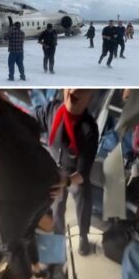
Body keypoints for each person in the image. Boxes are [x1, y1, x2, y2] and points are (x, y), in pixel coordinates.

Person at [0, 90, 62, 279]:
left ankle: (33, 269)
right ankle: (36, 266)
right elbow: (33, 127)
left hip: (29, 187)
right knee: (26, 232)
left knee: (12, 243)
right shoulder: (6, 109)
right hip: (46, 178)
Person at [34, 89, 99, 257]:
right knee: (57, 210)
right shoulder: (51, 110)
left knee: (84, 203)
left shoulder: (89, 129)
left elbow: (82, 174)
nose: (73, 90)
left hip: (75, 175)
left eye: (81, 88)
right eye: (70, 86)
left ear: (90, 97)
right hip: (56, 172)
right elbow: (30, 122)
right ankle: (58, 244)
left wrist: (65, 182)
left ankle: (83, 236)